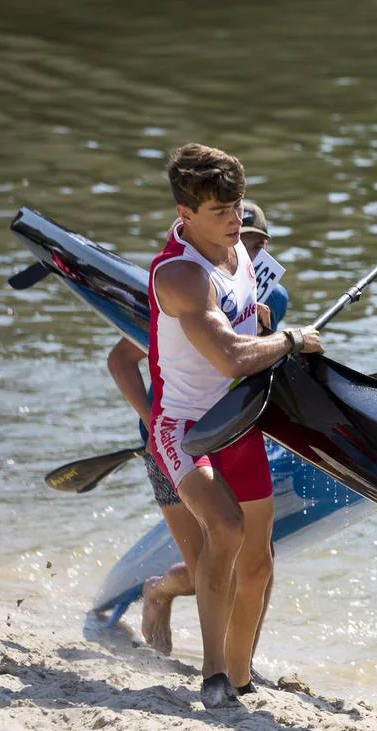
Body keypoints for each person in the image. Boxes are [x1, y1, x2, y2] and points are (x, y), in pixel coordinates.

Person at [147, 142, 322, 709]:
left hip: (238, 421)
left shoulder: (236, 252)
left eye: (238, 207)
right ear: (184, 216)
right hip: (184, 427)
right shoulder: (180, 276)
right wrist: (290, 340)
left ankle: (243, 677)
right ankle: (214, 674)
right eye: (219, 212)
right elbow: (227, 357)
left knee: (260, 559)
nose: (233, 221)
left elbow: (240, 320)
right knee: (223, 528)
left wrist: (261, 319)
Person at [105, 199, 291, 658]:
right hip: (175, 436)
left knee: (257, 565)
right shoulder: (186, 285)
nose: (240, 247)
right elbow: (121, 361)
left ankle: (239, 666)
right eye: (236, 237)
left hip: (235, 431)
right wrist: (152, 428)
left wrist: (267, 331)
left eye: (254, 242)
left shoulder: (271, 298)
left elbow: (255, 370)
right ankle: (160, 591)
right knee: (206, 563)